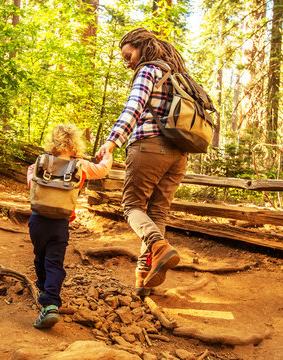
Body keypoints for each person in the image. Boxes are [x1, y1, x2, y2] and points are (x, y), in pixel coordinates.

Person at [95, 28, 188, 296]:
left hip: (149, 146)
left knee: (132, 206)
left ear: (142, 47)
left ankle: (158, 247)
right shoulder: (177, 75)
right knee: (157, 213)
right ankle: (144, 277)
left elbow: (134, 107)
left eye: (128, 54)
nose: (127, 62)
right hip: (179, 153)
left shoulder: (149, 70)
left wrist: (112, 142)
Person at [27, 123, 113, 329]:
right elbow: (102, 170)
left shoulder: (39, 163)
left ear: (53, 143)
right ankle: (51, 305)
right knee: (55, 262)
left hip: (38, 219)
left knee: (40, 257)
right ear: (75, 144)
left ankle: (42, 289)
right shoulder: (81, 166)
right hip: (61, 222)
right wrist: (107, 153)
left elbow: (31, 184)